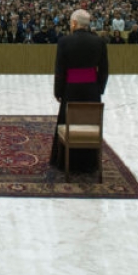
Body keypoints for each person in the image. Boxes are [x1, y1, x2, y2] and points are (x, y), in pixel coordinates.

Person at [49, 9, 109, 173]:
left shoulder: (64, 41)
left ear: (74, 23)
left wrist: (58, 92)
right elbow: (104, 70)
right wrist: (99, 89)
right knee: (88, 122)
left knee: (68, 121)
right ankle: (89, 163)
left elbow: (60, 70)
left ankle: (65, 162)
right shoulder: (99, 42)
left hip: (71, 89)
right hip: (91, 90)